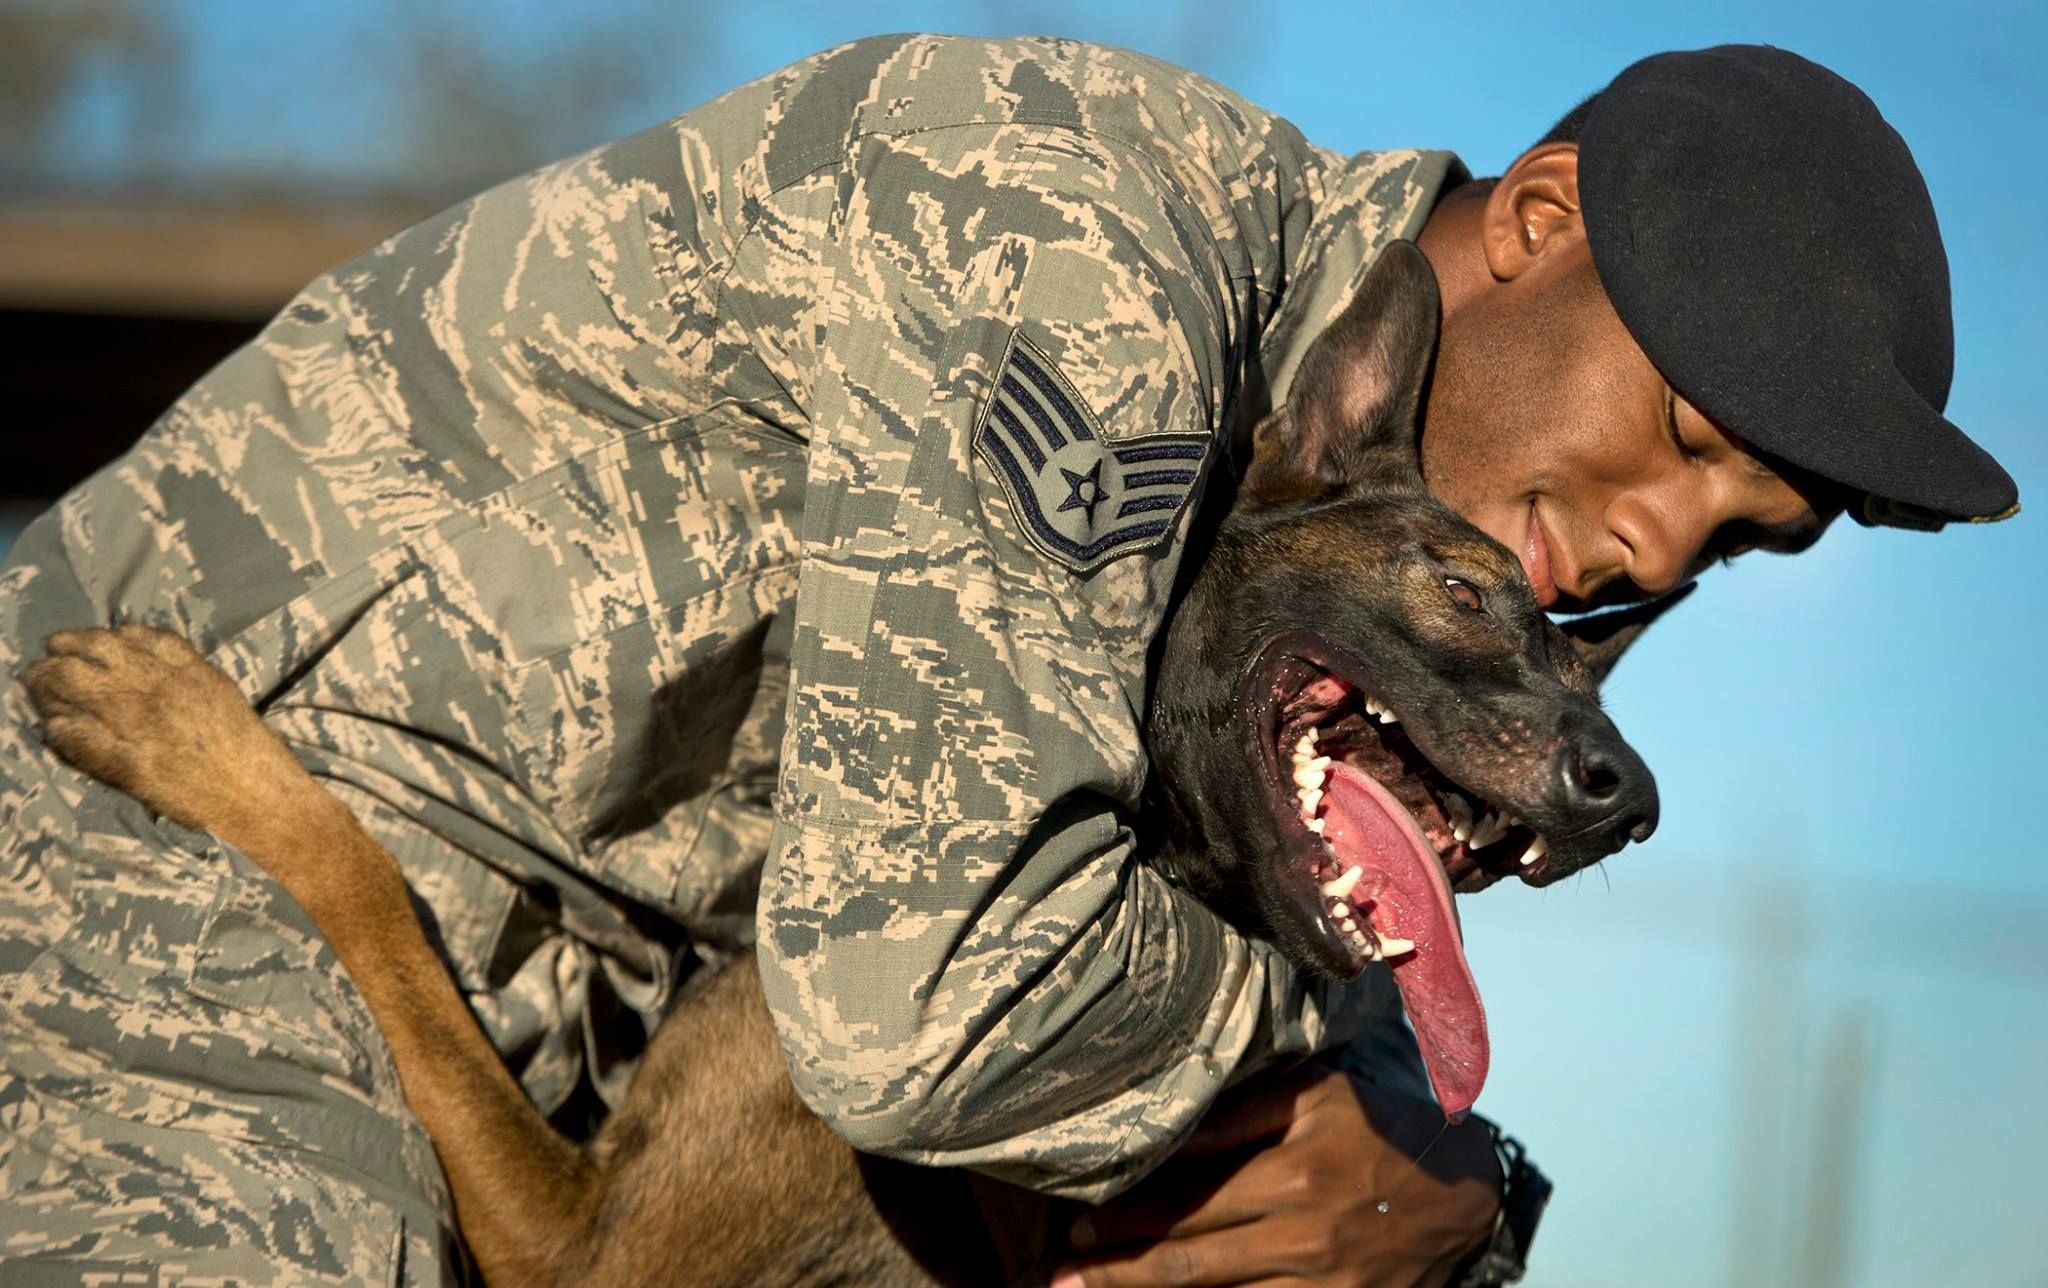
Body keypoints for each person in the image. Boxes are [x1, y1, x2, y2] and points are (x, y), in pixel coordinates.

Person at [0, 34, 2013, 1288]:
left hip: (559, 1050)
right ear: (1535, 221)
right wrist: (1329, 1109)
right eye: (1680, 438)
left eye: (1739, 539)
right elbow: (929, 993)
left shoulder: (1341, 580)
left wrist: (1458, 1192)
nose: (1656, 550)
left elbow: (1344, 1098)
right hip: (197, 831)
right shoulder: (1092, 246)